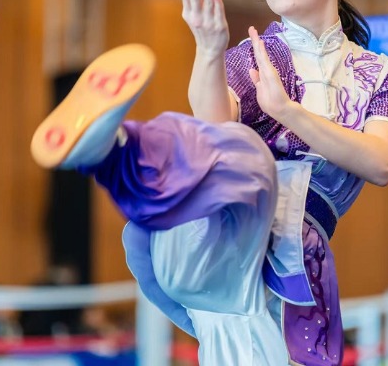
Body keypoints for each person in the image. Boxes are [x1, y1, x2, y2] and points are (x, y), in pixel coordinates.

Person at [180, 0, 388, 365]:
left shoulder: (383, 74)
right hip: (237, 248)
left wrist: (288, 112)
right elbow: (212, 126)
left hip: (304, 262)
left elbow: (382, 162)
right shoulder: (252, 56)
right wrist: (209, 52)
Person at [31, 43, 290, 365]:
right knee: (240, 163)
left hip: (210, 304)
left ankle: (116, 153)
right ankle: (116, 152)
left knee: (232, 165)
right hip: (229, 311)